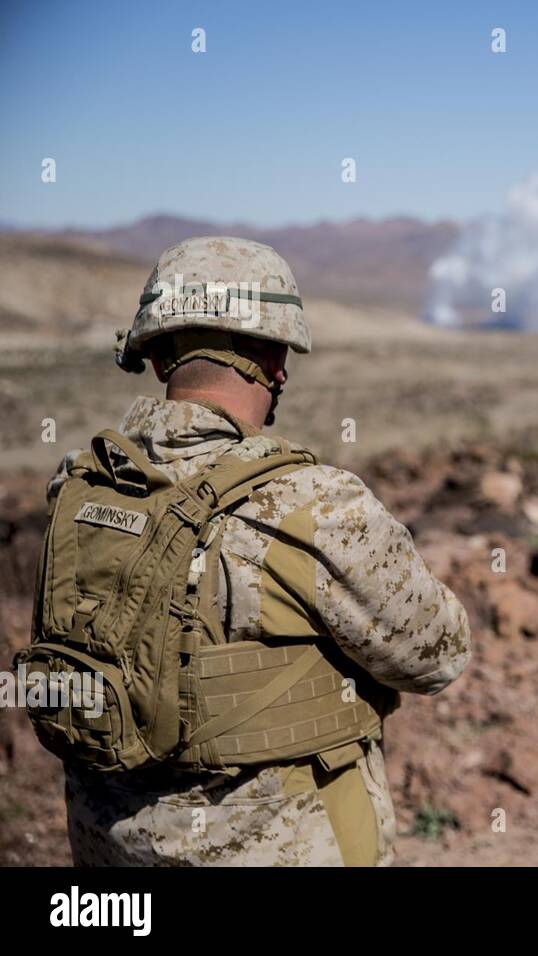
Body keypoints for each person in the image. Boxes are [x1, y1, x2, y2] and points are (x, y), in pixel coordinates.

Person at [21, 236, 471, 866]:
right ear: (273, 358)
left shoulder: (76, 488)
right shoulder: (313, 504)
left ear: (156, 358)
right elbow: (439, 654)